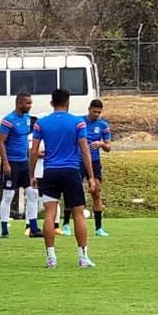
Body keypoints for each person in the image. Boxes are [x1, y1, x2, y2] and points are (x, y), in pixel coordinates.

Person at [29, 88, 98, 268]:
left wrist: (31, 175)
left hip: (50, 171)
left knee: (50, 214)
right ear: (68, 103)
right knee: (78, 214)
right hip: (71, 171)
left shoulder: (41, 124)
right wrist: (91, 176)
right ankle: (83, 256)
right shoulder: (78, 123)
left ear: (52, 103)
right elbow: (84, 150)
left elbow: (34, 151)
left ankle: (51, 257)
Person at [63, 99, 112, 237]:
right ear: (89, 109)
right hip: (77, 161)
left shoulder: (103, 125)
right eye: (94, 111)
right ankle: (66, 224)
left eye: (99, 112)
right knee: (72, 192)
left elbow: (108, 147)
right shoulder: (79, 121)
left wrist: (101, 144)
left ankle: (98, 228)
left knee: (96, 192)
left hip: (94, 162)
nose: (96, 114)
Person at [0, 93, 36, 238]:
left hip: (24, 163)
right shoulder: (8, 120)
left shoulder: (27, 119)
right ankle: (4, 228)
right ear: (19, 103)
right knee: (8, 195)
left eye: (30, 103)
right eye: (27, 103)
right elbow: (0, 142)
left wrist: (28, 159)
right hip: (11, 162)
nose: (30, 106)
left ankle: (33, 227)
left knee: (32, 193)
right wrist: (6, 163)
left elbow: (25, 140)